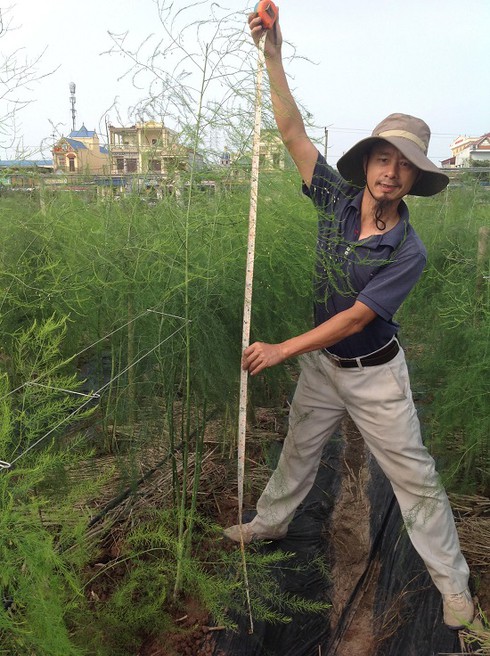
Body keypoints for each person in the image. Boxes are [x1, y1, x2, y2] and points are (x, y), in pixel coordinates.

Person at [223, 10, 475, 631]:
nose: (391, 172)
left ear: (415, 178)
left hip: (374, 375)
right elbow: (291, 132)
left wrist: (282, 349)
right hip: (322, 367)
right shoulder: (335, 198)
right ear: (367, 162)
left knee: (413, 478)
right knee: (299, 448)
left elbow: (358, 317)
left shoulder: (407, 250)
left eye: (404, 165)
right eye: (383, 158)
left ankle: (454, 586)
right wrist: (274, 55)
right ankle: (269, 523)